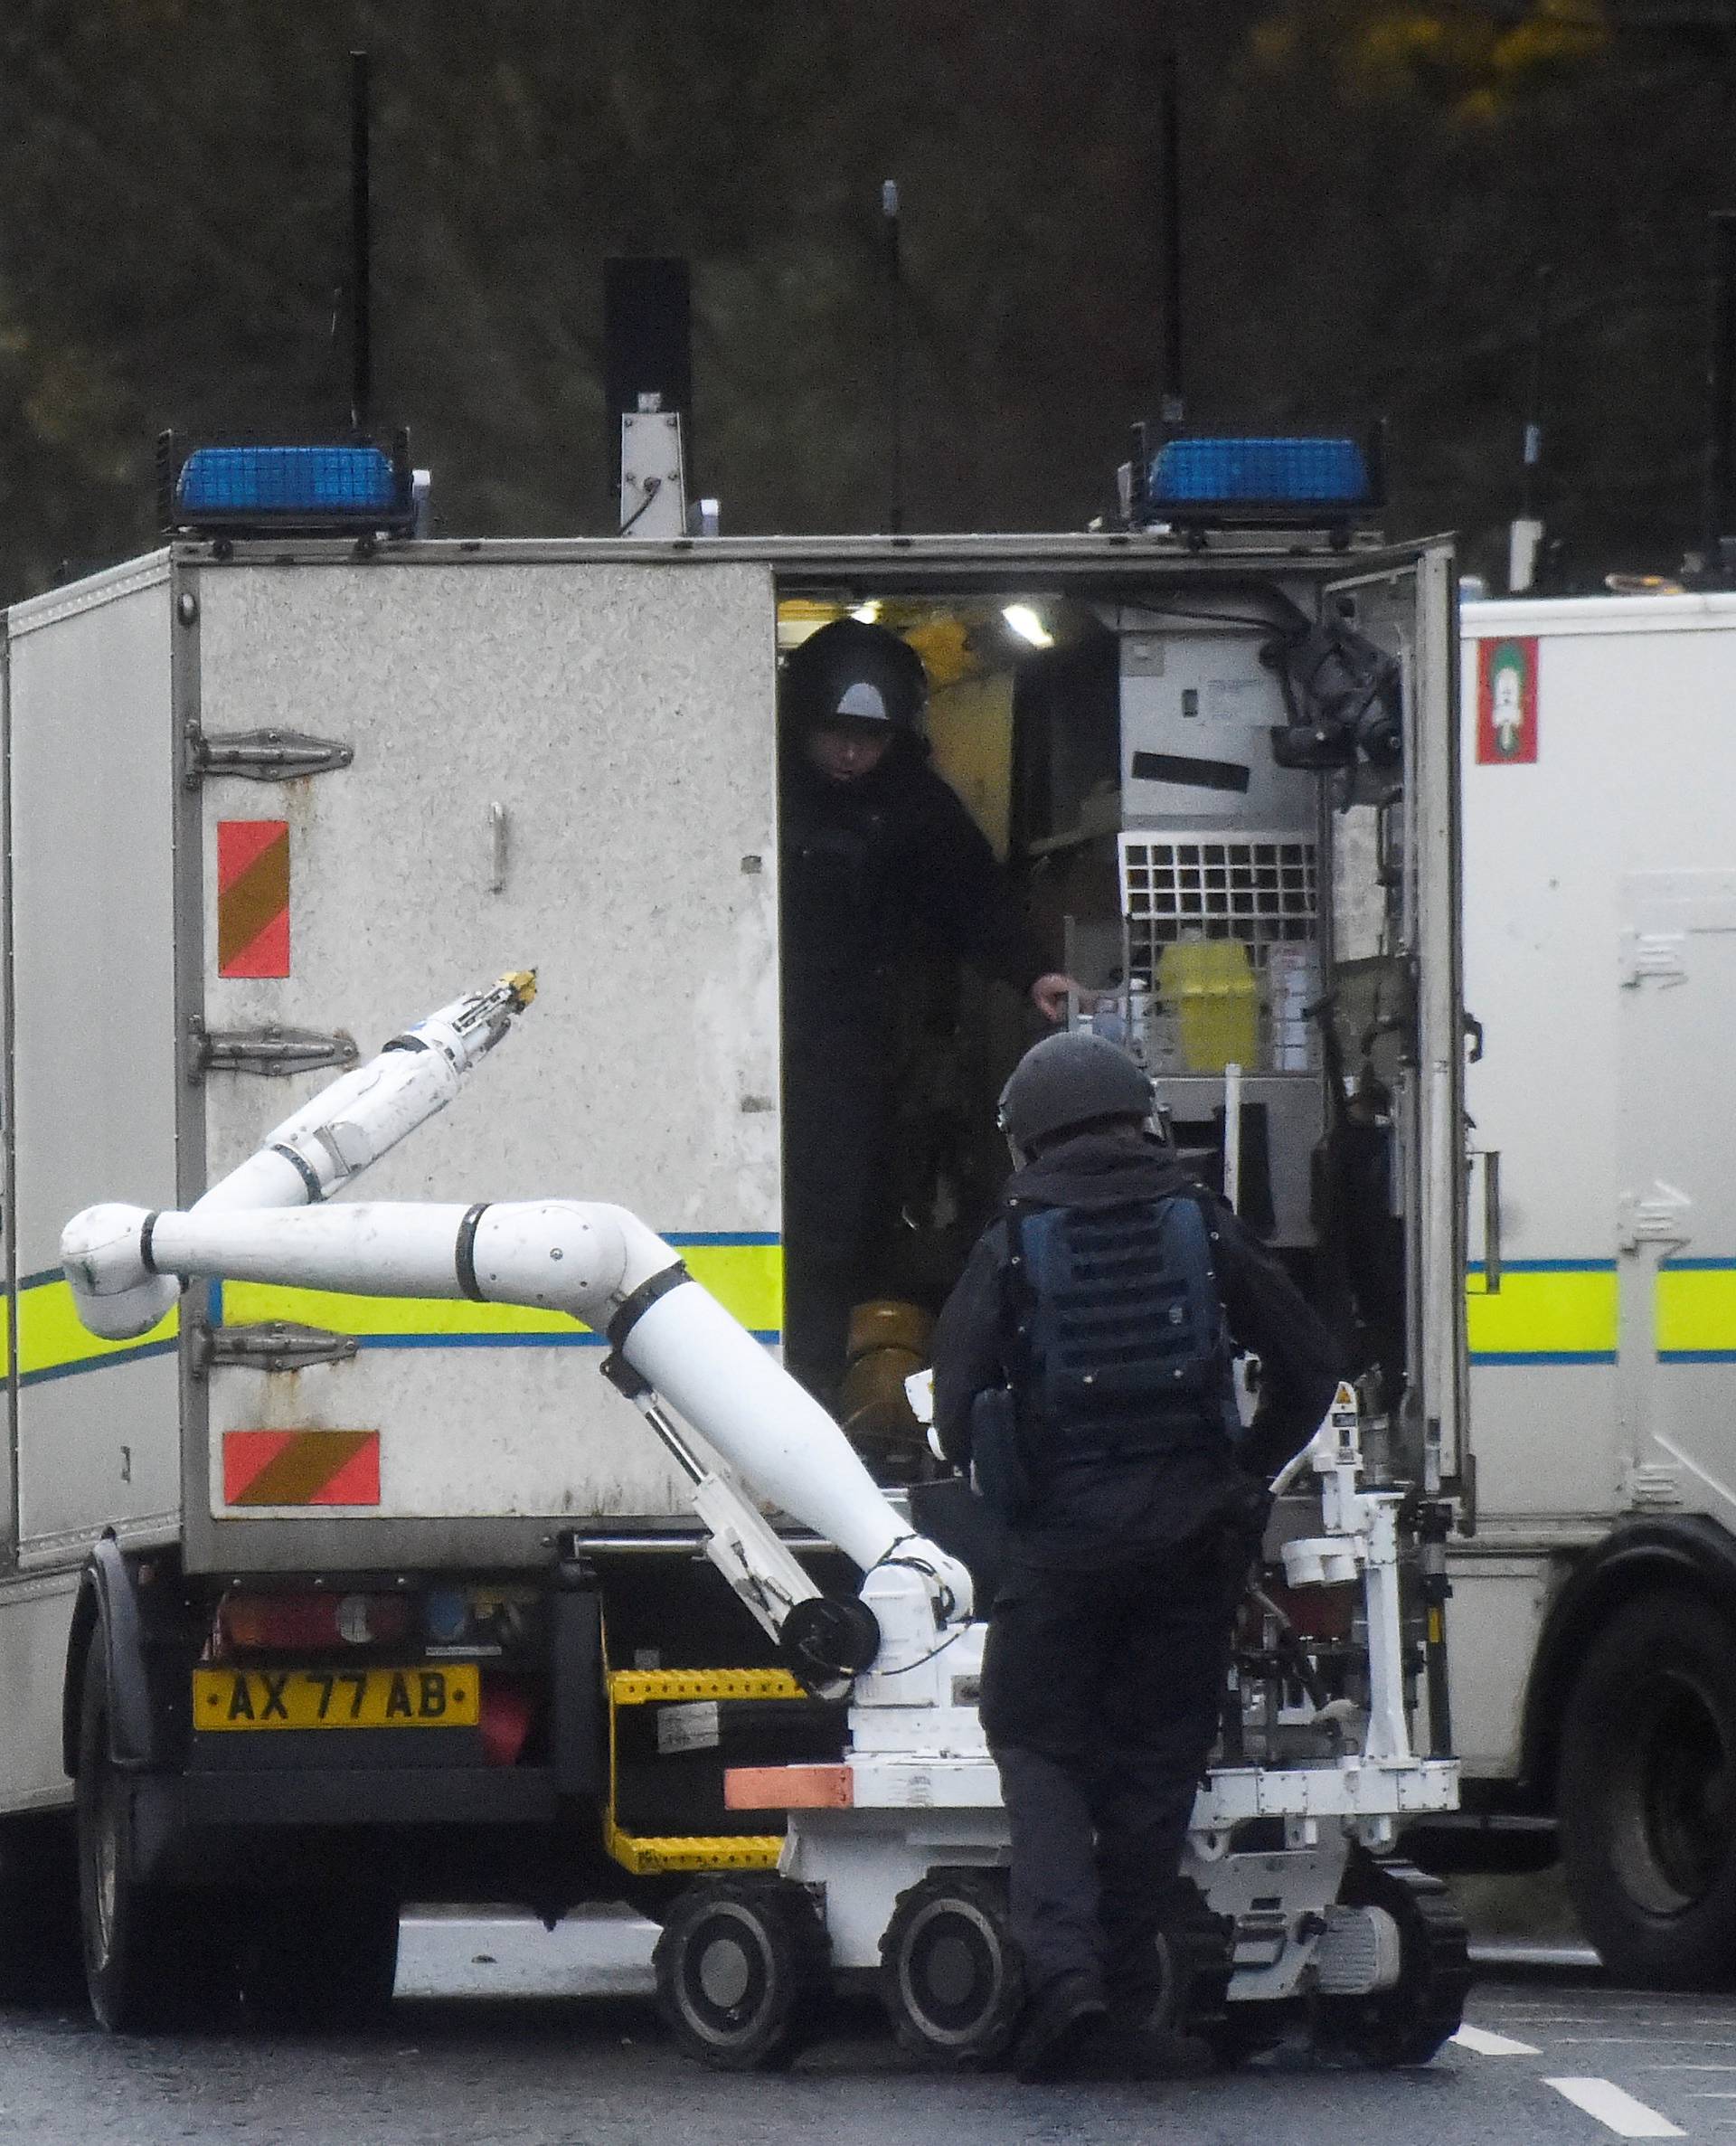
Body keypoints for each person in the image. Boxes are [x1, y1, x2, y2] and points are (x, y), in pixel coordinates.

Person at [929, 1030, 1342, 2081]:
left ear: (1028, 1138)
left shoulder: (1013, 1239)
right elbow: (1309, 1364)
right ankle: (1113, 1993)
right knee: (1154, 1764)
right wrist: (1243, 1475)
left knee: (1040, 1749)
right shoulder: (1199, 1221)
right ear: (1141, 1116)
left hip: (1061, 1553)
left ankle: (1061, 1986)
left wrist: (1010, 1483)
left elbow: (953, 1398)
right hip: (1189, 1546)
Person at [778, 618, 1077, 1403]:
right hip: (761, 1040)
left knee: (860, 1215)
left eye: (868, 739)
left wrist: (1034, 972)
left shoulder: (917, 805)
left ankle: (854, 1386)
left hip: (866, 1049)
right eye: (835, 735)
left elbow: (975, 895)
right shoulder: (759, 787)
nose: (851, 754)